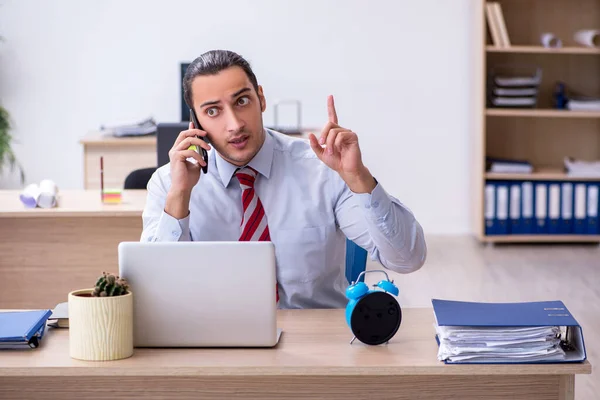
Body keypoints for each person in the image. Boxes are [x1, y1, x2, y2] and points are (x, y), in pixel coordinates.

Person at [141, 49, 427, 309]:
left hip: (317, 342)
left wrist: (358, 178)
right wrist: (179, 196)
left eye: (242, 101)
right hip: (215, 343)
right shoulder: (168, 183)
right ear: (196, 122)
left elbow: (408, 259)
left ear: (261, 98)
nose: (235, 124)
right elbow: (156, 291)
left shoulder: (322, 170)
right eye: (213, 111)